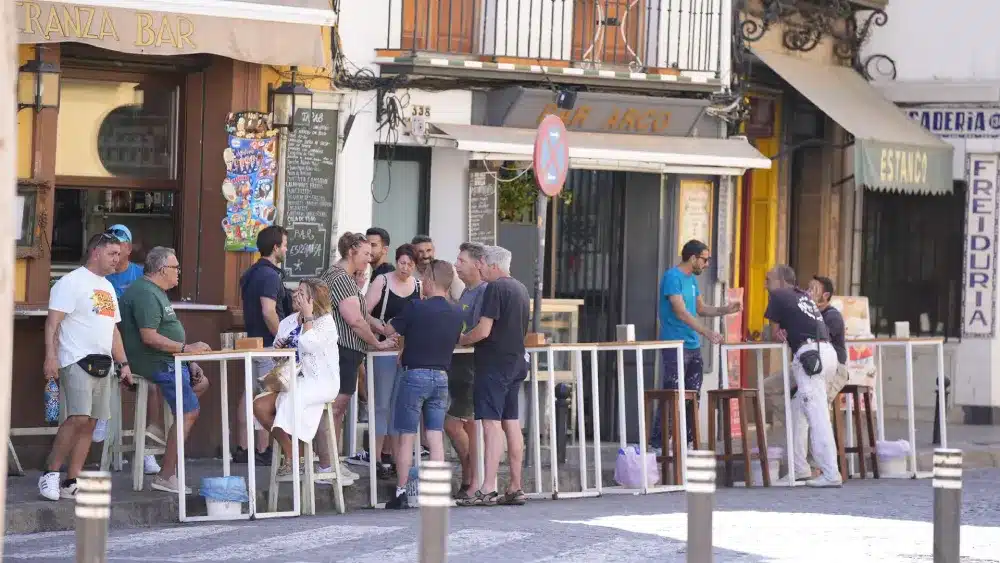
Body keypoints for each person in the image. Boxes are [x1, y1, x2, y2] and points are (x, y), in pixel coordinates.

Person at [40, 232, 134, 501]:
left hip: (104, 362)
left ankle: (72, 480)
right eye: (112, 254)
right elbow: (53, 323)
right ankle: (50, 473)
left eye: (119, 254)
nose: (117, 259)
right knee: (78, 418)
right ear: (96, 253)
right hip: (75, 359)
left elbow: (113, 330)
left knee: (91, 423)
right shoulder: (70, 282)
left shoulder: (108, 288)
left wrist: (124, 363)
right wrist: (50, 357)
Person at [119, 247, 211, 493]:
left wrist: (188, 358)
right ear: (162, 270)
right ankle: (166, 474)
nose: (179, 272)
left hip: (169, 360)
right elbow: (149, 337)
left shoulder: (155, 291)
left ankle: (164, 425)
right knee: (190, 411)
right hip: (156, 363)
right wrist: (185, 349)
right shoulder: (145, 293)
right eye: (175, 268)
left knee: (201, 383)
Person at [379, 259, 465, 509]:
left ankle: (401, 492)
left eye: (424, 278)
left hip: (414, 375)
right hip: (441, 378)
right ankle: (437, 492)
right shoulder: (456, 313)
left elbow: (389, 329)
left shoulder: (415, 307)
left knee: (406, 436)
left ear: (429, 280)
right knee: (435, 436)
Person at [320, 232, 398, 481]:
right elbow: (355, 320)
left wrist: (382, 329)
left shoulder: (341, 277)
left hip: (345, 350)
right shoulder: (341, 279)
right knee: (335, 408)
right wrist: (377, 343)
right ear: (351, 251)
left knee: (336, 409)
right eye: (365, 253)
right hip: (343, 350)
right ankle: (327, 466)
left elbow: (361, 314)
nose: (369, 258)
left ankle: (331, 463)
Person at [254, 279, 347, 482]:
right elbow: (280, 359)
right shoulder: (287, 322)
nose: (296, 295)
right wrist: (279, 351)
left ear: (313, 299)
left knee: (288, 401)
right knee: (260, 406)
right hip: (291, 380)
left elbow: (309, 344)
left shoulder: (326, 323)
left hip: (320, 383)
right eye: (297, 291)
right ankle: (294, 453)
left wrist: (308, 317)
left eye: (302, 292)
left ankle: (293, 456)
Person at [457, 246, 529, 507]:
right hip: (516, 362)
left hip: (494, 363)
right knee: (512, 422)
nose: (481, 269)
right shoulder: (521, 288)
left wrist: (463, 339)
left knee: (491, 423)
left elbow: (484, 330)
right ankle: (515, 485)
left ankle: (488, 487)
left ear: (494, 266)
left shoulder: (495, 288)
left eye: (484, 264)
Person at [652, 239, 739, 450]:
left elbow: (701, 308)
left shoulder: (692, 280)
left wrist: (725, 310)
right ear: (693, 258)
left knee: (693, 395)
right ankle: (658, 442)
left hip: (693, 345)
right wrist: (706, 332)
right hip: (675, 344)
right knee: (673, 392)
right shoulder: (672, 277)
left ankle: (688, 442)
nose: (707, 264)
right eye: (705, 259)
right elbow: (680, 312)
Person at [764, 265, 842, 488]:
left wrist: (780, 331)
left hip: (809, 356)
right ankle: (799, 469)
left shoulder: (778, 295)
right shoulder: (803, 297)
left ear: (781, 281)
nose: (765, 285)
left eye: (768, 279)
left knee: (817, 416)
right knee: (798, 412)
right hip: (826, 354)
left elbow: (774, 333)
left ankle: (830, 472)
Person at [346, 244, 421, 476]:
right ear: (396, 261)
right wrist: (382, 329)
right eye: (402, 263)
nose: (405, 268)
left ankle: (397, 458)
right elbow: (363, 311)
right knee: (381, 403)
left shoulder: (418, 286)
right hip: (382, 348)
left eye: (410, 264)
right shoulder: (383, 281)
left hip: (406, 350)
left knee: (400, 404)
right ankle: (376, 457)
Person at [100, 224, 161, 476]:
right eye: (111, 246)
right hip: (106, 346)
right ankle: (101, 420)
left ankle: (147, 448)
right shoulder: (100, 275)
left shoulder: (140, 274)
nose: (115, 252)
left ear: (128, 248)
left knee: (153, 388)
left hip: (137, 345)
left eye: (119, 245)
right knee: (99, 377)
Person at [763, 275, 850, 431]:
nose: (808, 292)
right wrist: (782, 331)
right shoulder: (803, 313)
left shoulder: (832, 316)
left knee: (817, 406)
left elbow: (818, 340)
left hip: (834, 369)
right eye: (807, 288)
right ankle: (795, 425)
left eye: (813, 289)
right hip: (804, 365)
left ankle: (811, 435)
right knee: (767, 387)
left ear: (825, 296)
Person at [236, 226, 290, 465]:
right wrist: (282, 339)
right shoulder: (269, 275)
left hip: (253, 342)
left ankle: (243, 448)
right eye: (284, 245)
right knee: (267, 397)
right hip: (268, 345)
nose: (286, 249)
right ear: (275, 247)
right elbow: (269, 311)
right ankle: (262, 449)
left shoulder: (251, 272)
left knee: (248, 394)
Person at [447, 242, 488, 499]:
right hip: (459, 367)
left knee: (455, 424)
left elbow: (481, 329)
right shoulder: (466, 291)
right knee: (466, 425)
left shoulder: (483, 291)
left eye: (462, 261)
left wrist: (462, 340)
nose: (456, 265)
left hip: (472, 366)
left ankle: (473, 478)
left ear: (478, 264)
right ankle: (471, 478)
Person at [411, 234, 465, 301]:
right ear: (413, 253)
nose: (426, 255)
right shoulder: (408, 273)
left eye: (428, 250)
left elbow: (461, 298)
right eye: (420, 251)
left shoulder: (447, 270)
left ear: (434, 250)